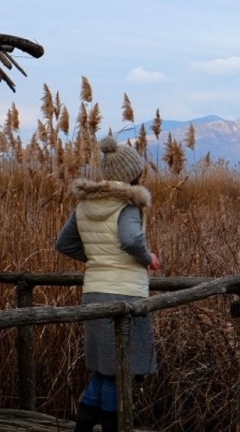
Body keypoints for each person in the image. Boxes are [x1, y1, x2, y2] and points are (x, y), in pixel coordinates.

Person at [56, 135, 161, 432]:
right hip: (125, 294)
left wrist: (97, 260)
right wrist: (146, 257)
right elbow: (130, 238)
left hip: (94, 292)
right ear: (132, 173)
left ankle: (83, 428)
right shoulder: (128, 204)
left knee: (105, 371)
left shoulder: (86, 204)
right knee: (119, 372)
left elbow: (64, 243)